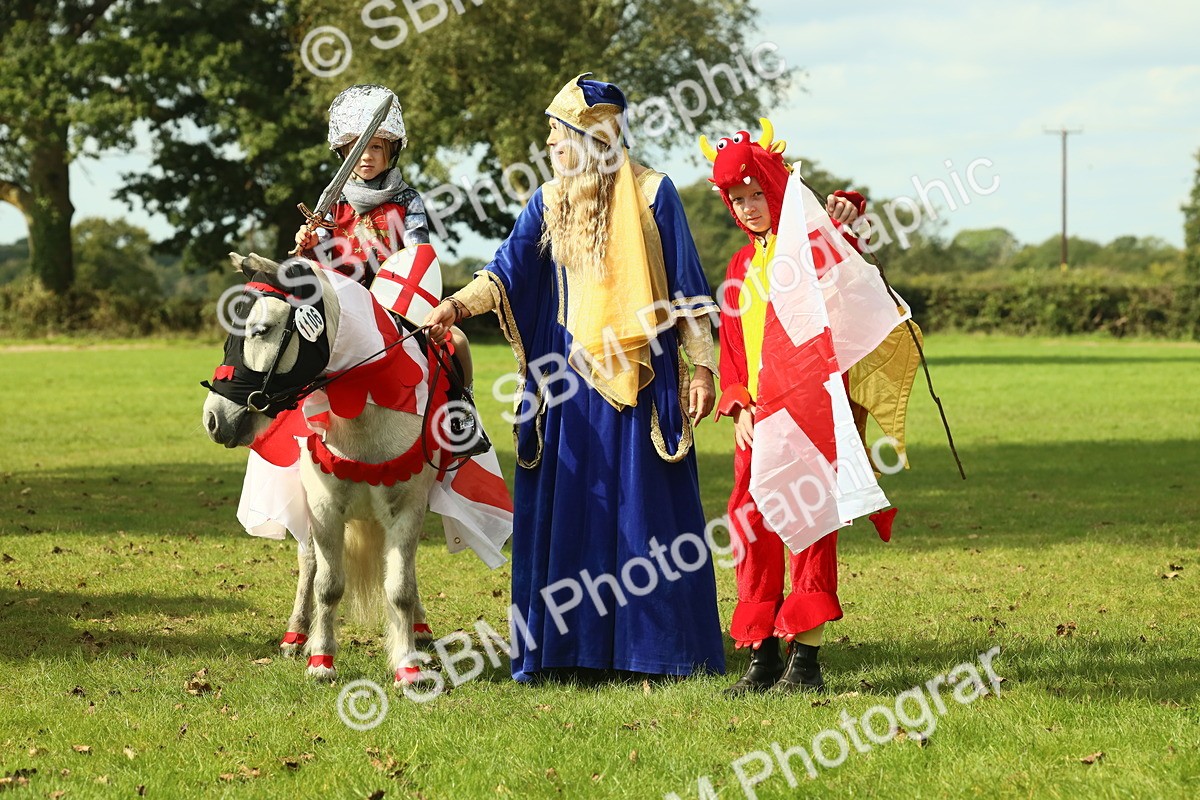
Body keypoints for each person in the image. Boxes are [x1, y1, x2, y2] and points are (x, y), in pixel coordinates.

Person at [424, 73, 725, 682]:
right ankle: (569, 652)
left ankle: (655, 652)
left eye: (558, 133)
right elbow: (505, 272)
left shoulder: (654, 194)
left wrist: (704, 366)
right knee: (577, 508)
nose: (551, 144)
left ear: (592, 136)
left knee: (646, 513)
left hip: (642, 383)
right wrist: (455, 306)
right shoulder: (547, 199)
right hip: (566, 386)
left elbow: (689, 290)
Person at [703, 120, 883, 695]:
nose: (750, 207)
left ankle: (804, 662)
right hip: (757, 420)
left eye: (759, 193)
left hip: (808, 413)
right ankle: (760, 658)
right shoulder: (738, 266)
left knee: (809, 526)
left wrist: (845, 214)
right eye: (738, 198)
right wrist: (739, 406)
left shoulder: (810, 249)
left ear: (777, 188)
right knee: (752, 526)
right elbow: (732, 344)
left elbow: (852, 265)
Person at [295, 83, 482, 452]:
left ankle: (462, 415)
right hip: (344, 305)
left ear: (390, 151)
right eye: (358, 149)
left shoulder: (407, 199)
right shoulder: (331, 202)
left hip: (394, 305)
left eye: (376, 147)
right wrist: (311, 248)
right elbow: (322, 269)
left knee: (456, 341)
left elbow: (416, 254)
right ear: (345, 152)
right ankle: (289, 430)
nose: (366, 156)